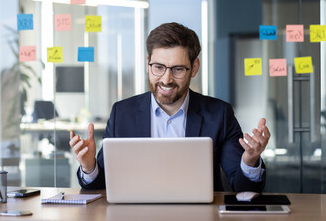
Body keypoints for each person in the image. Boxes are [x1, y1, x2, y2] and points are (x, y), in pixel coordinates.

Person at [69, 22, 270, 192]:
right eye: (158, 67)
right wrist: (89, 166)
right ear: (148, 62)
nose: (166, 79)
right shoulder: (123, 113)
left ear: (194, 68)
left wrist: (250, 161)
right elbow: (101, 188)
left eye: (177, 69)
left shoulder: (219, 114)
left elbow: (243, 188)